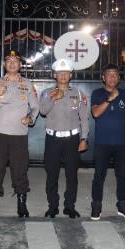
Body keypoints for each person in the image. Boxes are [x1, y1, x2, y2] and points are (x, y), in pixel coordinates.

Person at [0, 50, 40, 219]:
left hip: (19, 134)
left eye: (16, 61)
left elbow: (35, 107)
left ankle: (21, 203)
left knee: (20, 169)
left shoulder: (27, 84)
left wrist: (30, 118)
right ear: (4, 64)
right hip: (0, 133)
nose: (12, 64)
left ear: (20, 65)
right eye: (9, 61)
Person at [38, 58, 89, 219]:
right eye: (60, 73)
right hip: (53, 139)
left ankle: (69, 206)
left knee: (71, 175)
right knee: (52, 174)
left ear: (70, 75)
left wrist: (84, 138)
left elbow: (84, 118)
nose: (63, 75)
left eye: (66, 73)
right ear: (55, 75)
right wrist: (54, 98)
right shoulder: (47, 93)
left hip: (72, 139)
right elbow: (42, 111)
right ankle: (52, 207)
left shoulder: (78, 94)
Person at [90, 63, 125, 220]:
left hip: (122, 143)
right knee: (99, 176)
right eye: (109, 75)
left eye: (115, 75)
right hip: (102, 143)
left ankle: (122, 205)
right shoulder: (97, 93)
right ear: (103, 77)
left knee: (122, 176)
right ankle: (96, 206)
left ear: (119, 77)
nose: (112, 77)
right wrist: (109, 99)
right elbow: (96, 113)